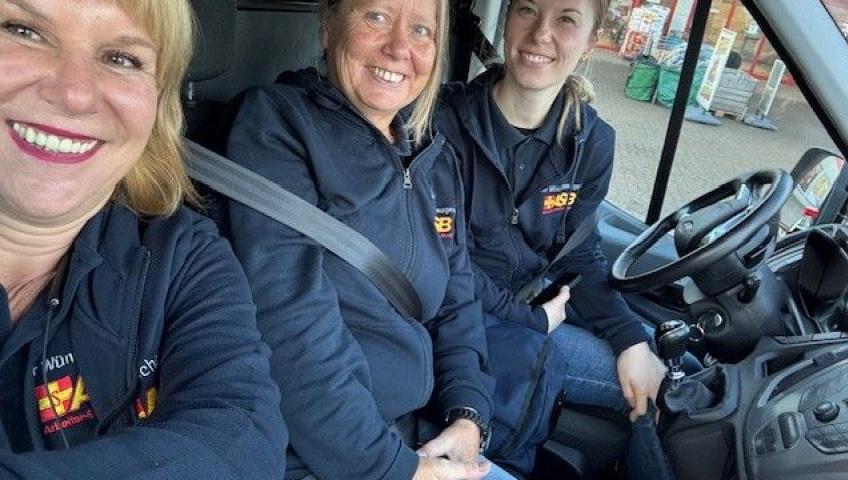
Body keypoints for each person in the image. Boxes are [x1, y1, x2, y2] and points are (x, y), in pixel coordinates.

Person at [219, 0, 516, 479]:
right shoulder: (278, 126)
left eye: (421, 31)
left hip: (421, 433)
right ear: (328, 26)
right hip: (325, 456)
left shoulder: (434, 154)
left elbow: (458, 301)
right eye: (376, 17)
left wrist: (468, 413)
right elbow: (291, 330)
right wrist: (396, 468)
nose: (399, 47)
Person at [0, 0, 287, 477]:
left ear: (159, 103)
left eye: (121, 58)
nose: (74, 94)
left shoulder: (182, 255)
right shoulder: (280, 123)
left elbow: (241, 434)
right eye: (23, 30)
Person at [437, 0, 676, 478]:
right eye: (527, 10)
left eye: (566, 19)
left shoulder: (591, 141)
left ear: (590, 42)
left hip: (533, 303)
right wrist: (531, 319)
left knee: (664, 359)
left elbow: (579, 254)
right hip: (464, 320)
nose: (542, 33)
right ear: (506, 21)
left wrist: (629, 339)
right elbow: (443, 263)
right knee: (667, 396)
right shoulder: (443, 124)